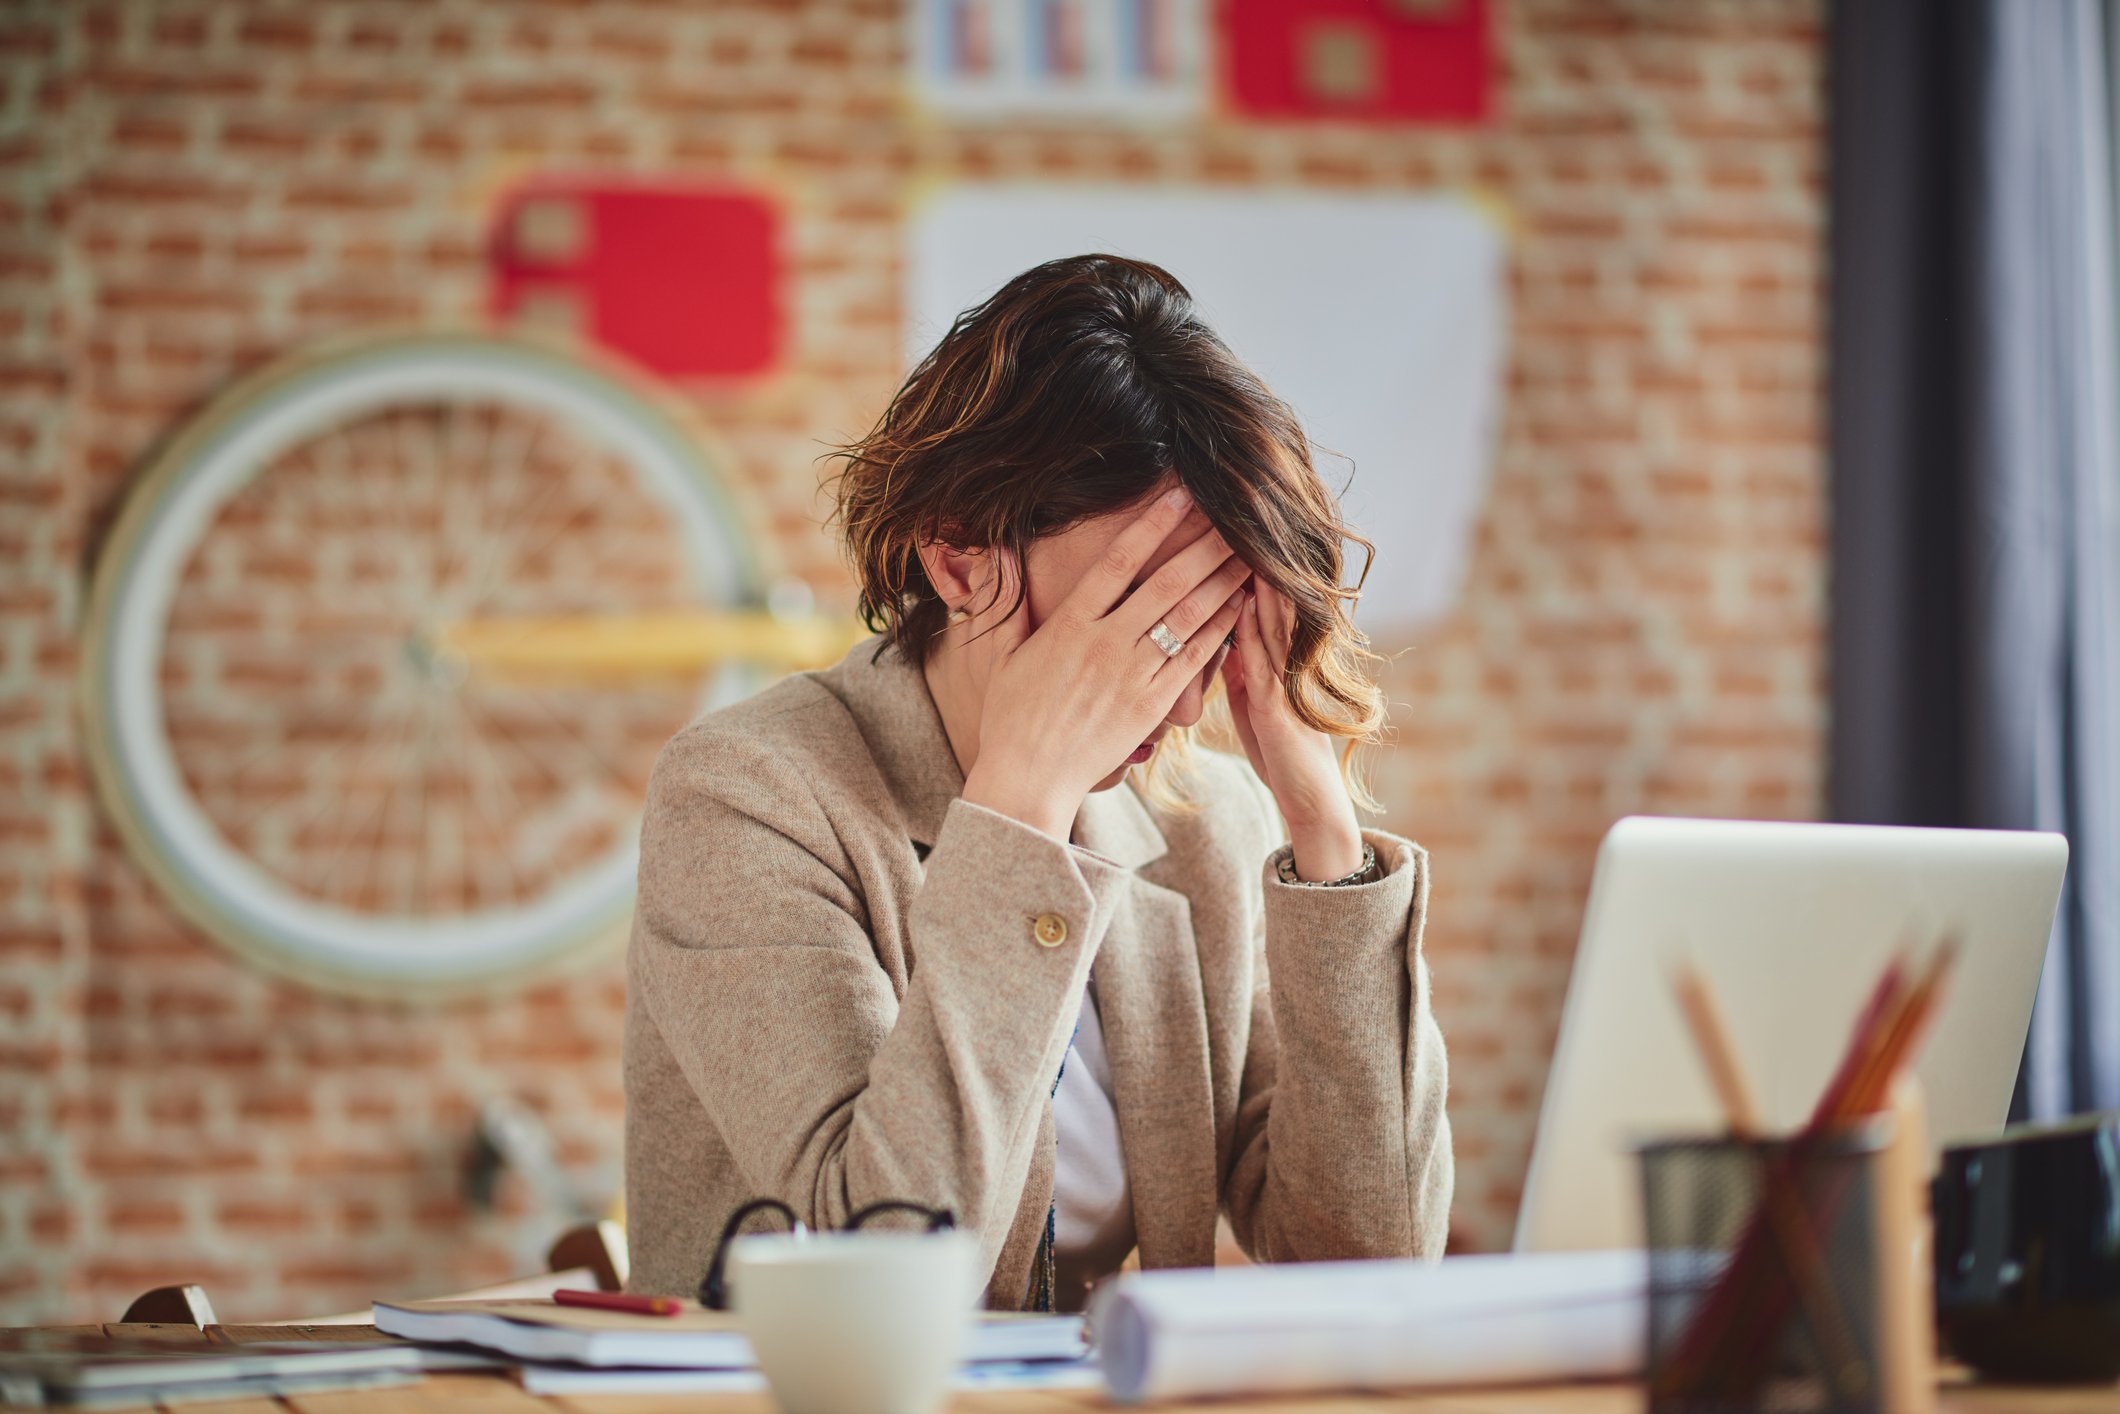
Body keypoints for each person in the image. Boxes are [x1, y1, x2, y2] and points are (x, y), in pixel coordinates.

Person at [624, 254, 1452, 1313]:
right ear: (960, 562)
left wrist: (1321, 828)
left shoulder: (1205, 825)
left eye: (1213, 615)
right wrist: (1017, 809)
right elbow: (888, 1272)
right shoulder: (748, 795)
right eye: (1141, 610)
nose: (1179, 690)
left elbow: (1367, 1270)